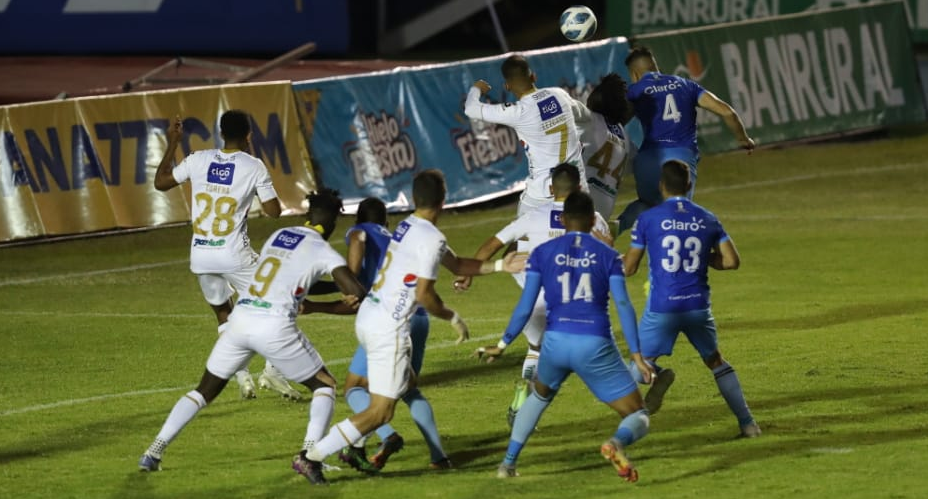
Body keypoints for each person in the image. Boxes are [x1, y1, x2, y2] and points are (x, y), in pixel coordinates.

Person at [297, 170, 525, 483]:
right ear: (444, 201)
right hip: (388, 328)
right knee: (381, 411)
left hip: (371, 318)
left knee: (400, 387)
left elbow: (457, 265)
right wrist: (452, 317)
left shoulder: (407, 226)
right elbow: (424, 295)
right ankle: (312, 457)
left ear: (415, 199)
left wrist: (500, 265)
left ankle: (391, 449)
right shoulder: (430, 237)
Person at [138, 189, 368, 483]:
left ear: (308, 214)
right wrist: (336, 300)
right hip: (274, 327)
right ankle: (311, 456)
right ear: (334, 221)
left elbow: (291, 277)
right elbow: (357, 293)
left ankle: (154, 451)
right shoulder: (323, 251)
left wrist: (322, 294)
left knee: (203, 391)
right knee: (324, 385)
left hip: (241, 319)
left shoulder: (279, 235)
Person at [475, 191, 653, 482]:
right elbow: (623, 305)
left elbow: (525, 305)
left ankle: (507, 464)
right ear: (593, 218)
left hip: (555, 343)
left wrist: (502, 343)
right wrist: (636, 355)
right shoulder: (607, 255)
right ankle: (616, 444)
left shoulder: (543, 253)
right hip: (594, 344)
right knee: (639, 413)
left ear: (563, 218)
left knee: (539, 395)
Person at [153, 111, 301, 400]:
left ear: (221, 133)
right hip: (233, 254)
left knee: (225, 313)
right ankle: (273, 370)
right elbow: (273, 212)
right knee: (279, 299)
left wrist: (173, 142)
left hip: (201, 255)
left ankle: (243, 375)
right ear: (248, 135)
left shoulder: (198, 159)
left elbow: (161, 182)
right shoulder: (253, 166)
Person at [454, 163, 612, 428]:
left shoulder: (533, 216)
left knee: (536, 349)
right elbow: (608, 252)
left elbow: (494, 243)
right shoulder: (592, 218)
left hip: (536, 301)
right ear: (581, 188)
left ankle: (524, 390)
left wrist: (471, 271)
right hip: (576, 304)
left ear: (551, 189)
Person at [622, 160, 760, 438]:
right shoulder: (708, 217)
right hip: (698, 306)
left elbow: (629, 268)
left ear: (661, 186)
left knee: (635, 370)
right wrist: (700, 260)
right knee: (716, 361)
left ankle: (658, 376)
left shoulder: (648, 219)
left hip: (663, 308)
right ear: (689, 185)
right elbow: (732, 261)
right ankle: (748, 424)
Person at [336, 198, 451, 473]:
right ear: (386, 223)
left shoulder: (360, 230)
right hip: (418, 316)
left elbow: (359, 238)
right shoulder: (399, 234)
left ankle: (387, 436)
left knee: (354, 387)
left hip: (388, 318)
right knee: (408, 388)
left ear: (358, 220)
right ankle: (439, 456)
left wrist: (350, 278)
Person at [617, 46, 755, 234]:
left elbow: (617, 121)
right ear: (655, 65)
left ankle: (616, 227)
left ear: (634, 74)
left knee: (646, 204)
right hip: (680, 157)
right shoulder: (686, 85)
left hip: (648, 159)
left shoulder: (635, 91)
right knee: (678, 215)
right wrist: (743, 138)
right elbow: (727, 112)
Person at [464, 54, 589, 216]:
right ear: (533, 76)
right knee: (585, 236)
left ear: (507, 86)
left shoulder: (518, 112)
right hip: (577, 184)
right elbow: (584, 115)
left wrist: (476, 88)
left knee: (520, 237)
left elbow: (470, 109)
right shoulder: (559, 94)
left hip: (544, 191)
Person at [574, 73, 637, 221]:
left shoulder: (589, 118)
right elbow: (634, 165)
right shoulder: (626, 139)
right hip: (602, 216)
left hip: (577, 205)